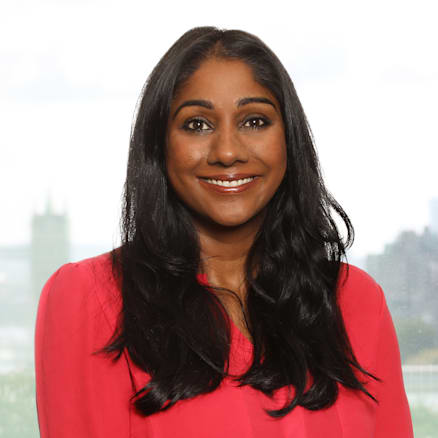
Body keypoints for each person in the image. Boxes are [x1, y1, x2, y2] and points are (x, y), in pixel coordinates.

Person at [35, 27, 413, 437]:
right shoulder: (88, 299)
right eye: (197, 125)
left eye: (255, 120)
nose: (228, 151)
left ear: (289, 139)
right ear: (159, 145)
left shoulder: (356, 301)